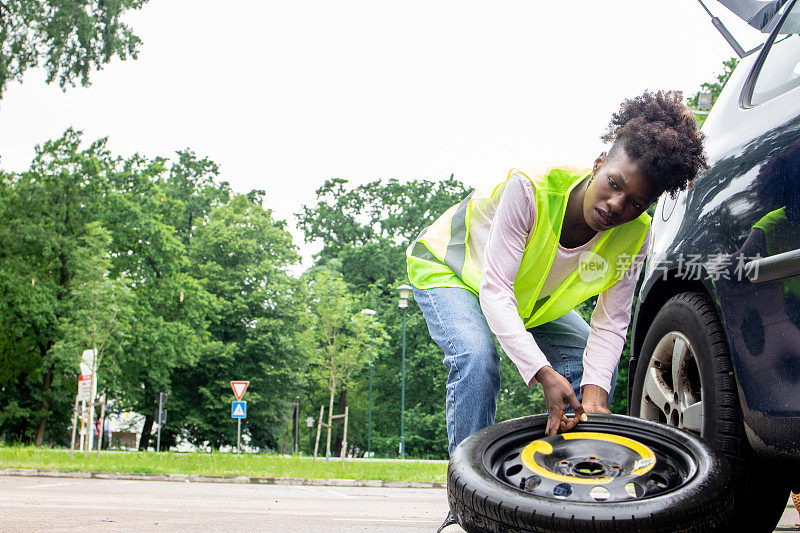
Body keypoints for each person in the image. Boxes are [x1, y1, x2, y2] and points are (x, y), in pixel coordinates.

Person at [404, 91, 707, 532]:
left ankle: (572, 496)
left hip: (526, 299)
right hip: (453, 270)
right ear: (600, 161)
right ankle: (465, 510)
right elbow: (494, 292)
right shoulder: (530, 188)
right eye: (615, 184)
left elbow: (611, 322)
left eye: (636, 203)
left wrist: (595, 395)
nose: (616, 207)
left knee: (588, 372)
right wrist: (543, 373)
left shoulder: (634, 236)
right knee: (475, 357)